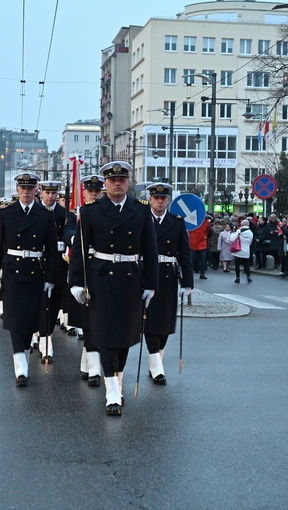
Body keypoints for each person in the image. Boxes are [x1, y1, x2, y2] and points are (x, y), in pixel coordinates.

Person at [69, 162, 159, 416]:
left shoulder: (141, 212)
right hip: (101, 279)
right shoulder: (90, 212)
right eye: (112, 180)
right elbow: (79, 252)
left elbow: (150, 250)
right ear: (105, 183)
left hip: (130, 279)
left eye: (121, 179)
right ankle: (111, 392)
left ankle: (116, 381)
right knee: (106, 337)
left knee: (125, 338)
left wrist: (151, 285)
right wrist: (75, 283)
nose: (117, 183)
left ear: (127, 182)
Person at [0, 172, 58, 388]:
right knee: (16, 321)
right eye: (23, 188)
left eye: (30, 188)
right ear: (17, 190)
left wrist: (51, 278)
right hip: (13, 272)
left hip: (35, 272)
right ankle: (21, 369)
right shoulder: (6, 214)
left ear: (37, 190)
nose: (26, 192)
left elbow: (52, 251)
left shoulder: (45, 215)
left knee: (31, 320)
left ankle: (24, 356)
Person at [143, 182, 193, 385]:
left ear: (168, 200)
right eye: (156, 198)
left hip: (168, 276)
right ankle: (156, 366)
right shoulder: (143, 220)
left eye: (163, 199)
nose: (160, 202)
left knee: (165, 324)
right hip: (147, 275)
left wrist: (187, 283)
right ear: (150, 199)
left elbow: (185, 254)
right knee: (149, 321)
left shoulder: (177, 222)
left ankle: (156, 360)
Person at [64, 175, 105, 385]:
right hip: (85, 271)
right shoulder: (76, 215)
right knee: (87, 322)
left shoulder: (106, 214)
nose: (94, 195)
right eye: (90, 192)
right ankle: (92, 369)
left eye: (98, 192)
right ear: (85, 193)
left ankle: (90, 365)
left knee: (98, 323)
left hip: (103, 271)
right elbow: (69, 232)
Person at [33, 180, 69, 363]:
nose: (50, 196)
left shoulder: (64, 215)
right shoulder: (35, 213)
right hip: (38, 265)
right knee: (39, 304)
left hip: (58, 264)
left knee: (54, 304)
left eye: (53, 193)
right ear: (41, 193)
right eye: (47, 193)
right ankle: (44, 340)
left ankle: (47, 335)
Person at [231, 219, 254, 284]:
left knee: (237, 264)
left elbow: (232, 239)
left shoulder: (239, 231)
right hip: (246, 250)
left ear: (241, 224)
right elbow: (250, 242)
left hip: (238, 250)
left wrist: (232, 233)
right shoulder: (250, 232)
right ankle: (248, 277)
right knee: (246, 264)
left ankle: (237, 278)